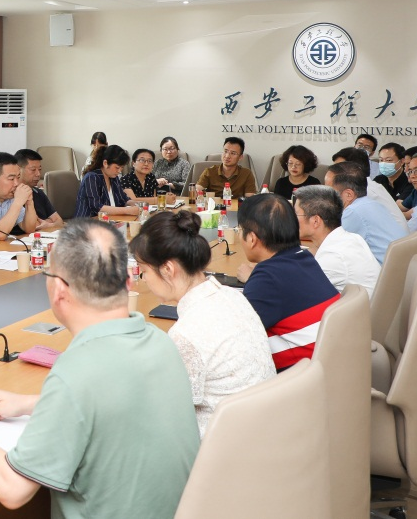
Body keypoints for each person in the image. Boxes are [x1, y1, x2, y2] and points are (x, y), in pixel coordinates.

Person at [0, 218, 199, 517]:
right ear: (128, 281)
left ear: (59, 290)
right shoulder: (160, 341)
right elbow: (112, 404)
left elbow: (13, 489)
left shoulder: (76, 372)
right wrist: (31, 404)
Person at [132, 210, 275, 436]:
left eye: (144, 271)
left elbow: (165, 413)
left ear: (168, 269)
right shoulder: (231, 295)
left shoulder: (186, 335)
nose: (145, 279)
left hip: (220, 446)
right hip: (262, 431)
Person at [235, 194, 340, 371]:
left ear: (252, 238)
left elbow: (235, 335)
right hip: (329, 365)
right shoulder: (304, 258)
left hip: (304, 377)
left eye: (239, 229)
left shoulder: (268, 278)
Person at [293, 186, 381, 298]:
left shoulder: (333, 256)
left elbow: (300, 294)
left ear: (316, 221)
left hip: (356, 309)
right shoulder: (352, 238)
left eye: (295, 214)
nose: (291, 219)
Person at [325, 162, 406, 266]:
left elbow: (331, 248)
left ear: (348, 194)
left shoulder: (353, 211)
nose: (324, 194)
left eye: (328, 190)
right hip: (398, 268)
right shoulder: (371, 203)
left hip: (382, 271)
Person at [334, 146, 407, 230]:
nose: (333, 172)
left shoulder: (364, 191)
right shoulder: (370, 185)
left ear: (356, 169)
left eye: (338, 168)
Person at [75, 145, 140, 219]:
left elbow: (124, 199)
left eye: (121, 168)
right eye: (117, 167)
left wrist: (139, 205)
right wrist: (127, 210)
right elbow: (97, 207)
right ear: (105, 163)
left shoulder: (114, 178)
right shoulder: (91, 177)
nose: (119, 171)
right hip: (88, 221)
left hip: (110, 220)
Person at [15, 149, 62, 228]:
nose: (38, 174)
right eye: (33, 170)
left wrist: (48, 225)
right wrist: (50, 221)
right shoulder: (12, 195)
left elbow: (59, 221)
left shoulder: (39, 193)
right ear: (18, 170)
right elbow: (33, 225)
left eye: (40, 169)